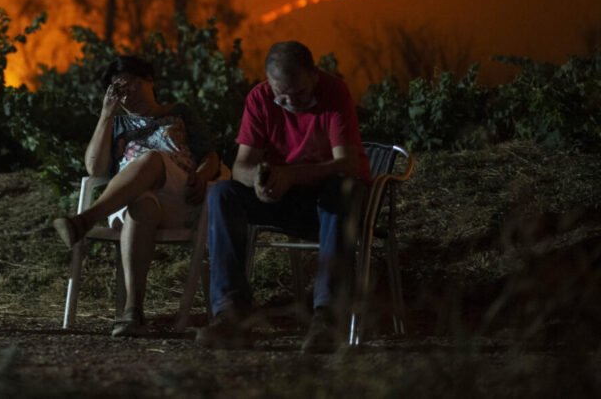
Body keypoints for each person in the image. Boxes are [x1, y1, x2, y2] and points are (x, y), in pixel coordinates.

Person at [196, 41, 370, 352]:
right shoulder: (260, 98)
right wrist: (260, 181)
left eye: (298, 94)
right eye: (281, 96)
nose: (290, 103)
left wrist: (291, 175)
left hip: (328, 203)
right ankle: (231, 313)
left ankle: (328, 317)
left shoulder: (334, 93)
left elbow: (347, 163)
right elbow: (240, 166)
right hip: (282, 198)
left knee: (342, 189)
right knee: (223, 193)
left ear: (314, 75)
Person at [53, 56, 221, 336]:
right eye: (117, 88)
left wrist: (201, 177)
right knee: (141, 204)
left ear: (149, 80)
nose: (125, 92)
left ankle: (86, 220)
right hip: (131, 201)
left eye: (129, 83)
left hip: (179, 193)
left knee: (150, 159)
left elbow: (211, 157)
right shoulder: (116, 124)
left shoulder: (178, 113)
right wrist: (106, 114)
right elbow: (94, 167)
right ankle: (133, 314)